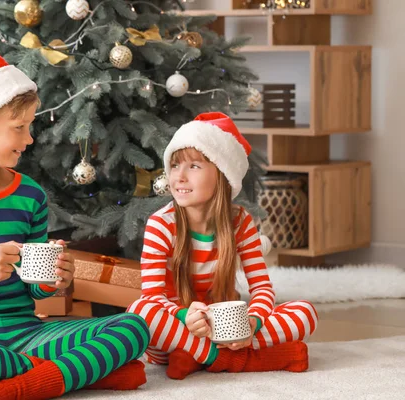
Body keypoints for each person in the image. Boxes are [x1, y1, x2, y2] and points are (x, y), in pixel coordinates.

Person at [0, 46, 150, 400]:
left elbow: (35, 291)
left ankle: (30, 383)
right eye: (19, 128)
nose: (29, 139)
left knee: (133, 327)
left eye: (30, 127)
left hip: (31, 335)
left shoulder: (30, 196)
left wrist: (54, 281)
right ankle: (76, 374)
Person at [127, 112, 318, 380]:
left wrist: (253, 323)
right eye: (174, 165)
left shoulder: (240, 222)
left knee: (305, 313)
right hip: (178, 332)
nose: (178, 176)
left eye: (193, 166)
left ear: (222, 175)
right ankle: (229, 359)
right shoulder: (161, 224)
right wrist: (183, 315)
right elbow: (152, 297)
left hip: (228, 332)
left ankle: (202, 358)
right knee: (140, 312)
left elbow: (262, 288)